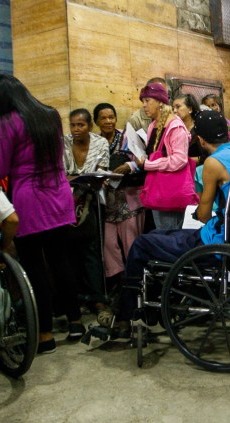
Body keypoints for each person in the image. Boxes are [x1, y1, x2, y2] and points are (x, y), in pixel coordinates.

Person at [115, 110, 230, 332]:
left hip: (214, 244)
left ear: (202, 140)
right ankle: (158, 306)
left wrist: (205, 212)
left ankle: (124, 315)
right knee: (157, 236)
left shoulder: (214, 163)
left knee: (142, 243)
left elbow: (203, 215)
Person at [0, 74, 84, 354]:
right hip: (59, 194)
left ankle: (45, 335)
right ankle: (76, 321)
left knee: (35, 267)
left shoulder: (8, 122)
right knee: (61, 260)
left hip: (30, 198)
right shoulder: (50, 114)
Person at [93, 103, 144, 299]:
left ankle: (135, 285)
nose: (108, 121)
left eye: (111, 117)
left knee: (131, 242)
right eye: (103, 118)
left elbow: (141, 160)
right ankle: (119, 282)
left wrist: (127, 166)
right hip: (107, 202)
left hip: (129, 198)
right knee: (108, 244)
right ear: (97, 121)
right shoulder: (95, 142)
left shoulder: (127, 137)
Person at [63, 108, 110, 311]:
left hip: (91, 202)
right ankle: (75, 297)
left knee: (92, 249)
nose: (76, 129)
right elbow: (59, 173)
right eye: (73, 125)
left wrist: (77, 180)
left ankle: (96, 296)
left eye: (80, 125)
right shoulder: (63, 143)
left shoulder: (100, 143)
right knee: (69, 251)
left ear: (90, 126)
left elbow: (102, 173)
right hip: (65, 203)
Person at [136, 83, 195, 230]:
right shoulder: (153, 125)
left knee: (169, 235)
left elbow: (179, 160)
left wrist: (148, 164)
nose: (144, 105)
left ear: (160, 101)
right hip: (158, 190)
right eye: (143, 101)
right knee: (162, 233)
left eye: (147, 101)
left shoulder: (176, 127)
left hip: (170, 192)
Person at [172, 93, 203, 163]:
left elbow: (206, 157)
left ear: (190, 109)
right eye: (173, 108)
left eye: (178, 107)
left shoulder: (199, 129)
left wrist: (183, 161)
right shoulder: (174, 128)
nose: (174, 111)